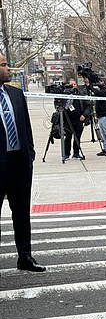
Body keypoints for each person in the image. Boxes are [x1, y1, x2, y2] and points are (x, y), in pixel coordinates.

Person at [0, 53, 46, 272]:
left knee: (21, 212)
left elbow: (26, 127)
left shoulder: (16, 94)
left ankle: (25, 257)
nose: (9, 68)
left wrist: (31, 153)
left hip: (19, 163)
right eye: (3, 65)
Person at [63, 79, 90, 160]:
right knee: (68, 137)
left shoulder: (81, 94)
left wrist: (84, 115)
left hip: (79, 119)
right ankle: (67, 154)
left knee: (77, 137)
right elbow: (59, 105)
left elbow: (89, 105)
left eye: (74, 84)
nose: (73, 86)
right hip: (68, 119)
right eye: (71, 84)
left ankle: (76, 153)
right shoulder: (65, 94)